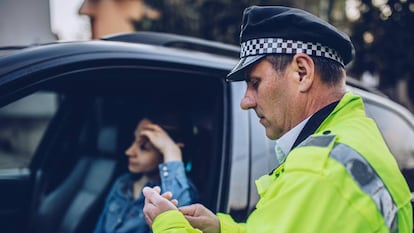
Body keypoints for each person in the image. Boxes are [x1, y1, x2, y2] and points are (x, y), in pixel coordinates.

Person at [142, 5, 413, 233]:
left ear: (302, 72)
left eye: (255, 83)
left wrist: (169, 225)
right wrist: (222, 228)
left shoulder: (319, 170)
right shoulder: (352, 138)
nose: (245, 101)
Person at [93, 111, 198, 233]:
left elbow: (179, 226)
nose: (129, 152)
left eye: (144, 147)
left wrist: (171, 152)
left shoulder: (181, 192)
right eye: (134, 140)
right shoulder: (123, 183)